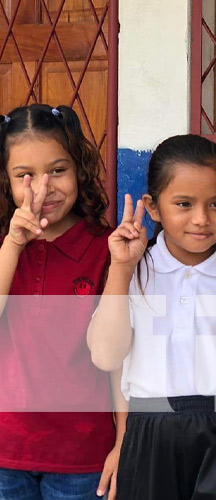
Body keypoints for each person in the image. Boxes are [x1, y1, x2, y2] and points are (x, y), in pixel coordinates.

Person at [87, 134, 216, 500]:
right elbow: (108, 358)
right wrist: (120, 269)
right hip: (148, 433)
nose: (201, 219)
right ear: (153, 207)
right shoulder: (133, 274)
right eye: (184, 203)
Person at [0, 104, 123, 499]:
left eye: (58, 170)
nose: (43, 188)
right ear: (6, 181)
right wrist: (14, 245)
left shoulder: (106, 249)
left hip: (83, 459)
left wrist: (124, 441)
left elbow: (119, 361)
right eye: (25, 176)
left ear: (79, 169)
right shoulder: (4, 248)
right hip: (6, 454)